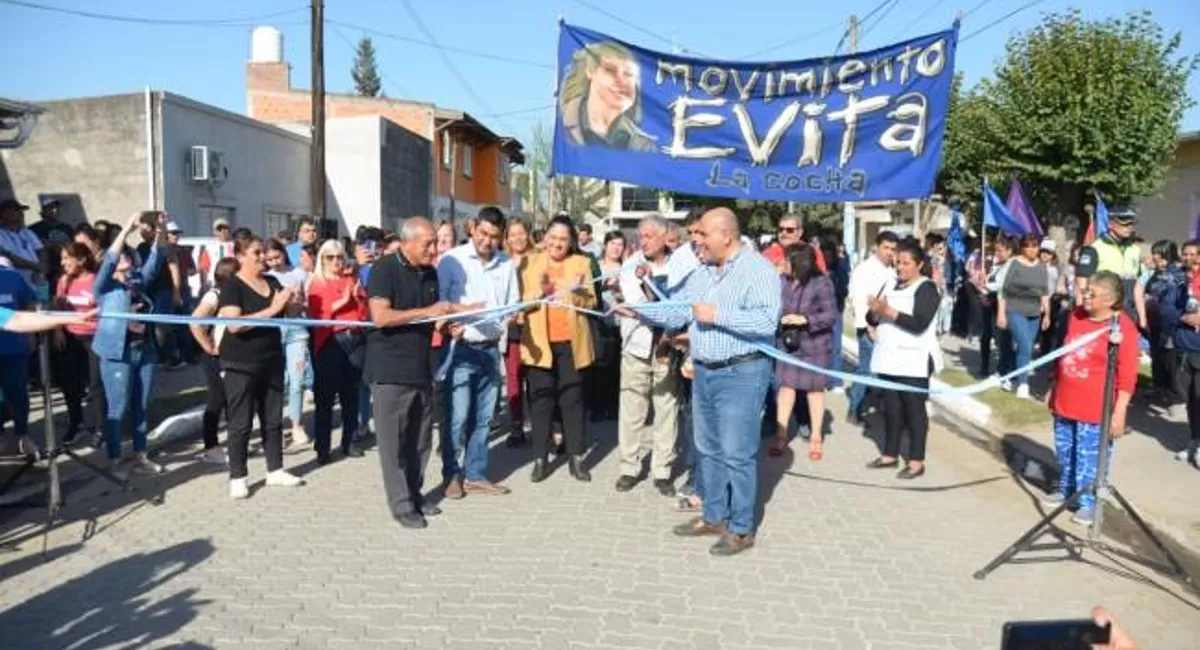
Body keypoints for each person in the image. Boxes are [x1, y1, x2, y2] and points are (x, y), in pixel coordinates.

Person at [617, 207, 780, 557]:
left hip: (742, 373)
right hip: (704, 371)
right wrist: (638, 310)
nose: (696, 241)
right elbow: (678, 310)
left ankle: (741, 528)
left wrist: (717, 314)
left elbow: (767, 322)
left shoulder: (759, 270)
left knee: (737, 452)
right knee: (708, 449)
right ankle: (714, 515)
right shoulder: (702, 272)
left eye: (703, 234)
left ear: (726, 235)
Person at [367, 217, 465, 529]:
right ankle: (401, 505)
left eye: (436, 242)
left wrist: (448, 326)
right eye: (428, 244)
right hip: (391, 370)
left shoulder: (430, 272)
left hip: (423, 368)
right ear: (407, 242)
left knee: (420, 441)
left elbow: (430, 319)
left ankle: (415, 492)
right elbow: (380, 316)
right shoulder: (384, 269)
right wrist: (428, 312)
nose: (434, 250)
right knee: (394, 443)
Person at [1044, 271, 1139, 525]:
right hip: (1066, 400)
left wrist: (1119, 413)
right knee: (1066, 451)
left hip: (1095, 408)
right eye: (1086, 291)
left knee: (1090, 457)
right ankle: (1067, 489)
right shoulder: (1075, 317)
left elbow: (1127, 376)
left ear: (1110, 300)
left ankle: (1089, 501)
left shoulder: (1123, 329)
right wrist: (1053, 386)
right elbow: (1061, 355)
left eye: (1092, 294)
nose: (1085, 296)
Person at [434, 206, 515, 498]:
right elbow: (440, 304)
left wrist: (515, 316)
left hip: (491, 351)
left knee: (483, 420)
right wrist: (446, 326)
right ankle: (451, 476)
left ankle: (476, 474)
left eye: (494, 236)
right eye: (483, 233)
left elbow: (511, 305)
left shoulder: (506, 264)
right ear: (472, 228)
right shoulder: (452, 261)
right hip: (460, 350)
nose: (487, 241)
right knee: (457, 417)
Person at [218, 235, 305, 499]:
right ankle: (238, 476)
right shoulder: (232, 286)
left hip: (271, 359)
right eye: (256, 253)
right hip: (240, 363)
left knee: (273, 418)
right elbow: (235, 325)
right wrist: (273, 308)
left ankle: (275, 469)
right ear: (241, 256)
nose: (262, 258)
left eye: (263, 253)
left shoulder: (272, 281)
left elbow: (288, 313)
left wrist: (294, 303)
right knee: (241, 422)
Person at [520, 216, 598, 483]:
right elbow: (520, 303)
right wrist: (539, 293)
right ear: (545, 237)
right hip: (540, 344)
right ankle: (540, 459)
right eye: (553, 237)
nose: (557, 243)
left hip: (571, 343)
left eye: (563, 239)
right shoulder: (529, 263)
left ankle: (577, 458)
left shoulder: (582, 263)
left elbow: (591, 302)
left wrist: (575, 292)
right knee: (541, 402)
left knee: (572, 401)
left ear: (571, 241)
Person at [92, 213, 169, 476]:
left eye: (127, 254)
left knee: (142, 405)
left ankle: (140, 455)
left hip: (143, 351)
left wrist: (160, 229)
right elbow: (111, 257)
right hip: (117, 354)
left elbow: (156, 258)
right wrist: (127, 226)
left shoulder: (137, 282)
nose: (126, 256)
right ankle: (115, 461)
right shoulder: (104, 288)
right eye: (122, 255)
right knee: (119, 407)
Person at [864, 242, 943, 479]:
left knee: (914, 411)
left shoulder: (927, 288)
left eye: (906, 263)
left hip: (914, 360)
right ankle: (890, 453)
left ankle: (916, 460)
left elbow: (919, 323)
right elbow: (873, 315)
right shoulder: (889, 283)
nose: (900, 267)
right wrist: (875, 312)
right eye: (898, 262)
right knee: (892, 409)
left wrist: (888, 312)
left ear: (919, 264)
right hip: (888, 357)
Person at [614, 216, 678, 496]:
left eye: (650, 236)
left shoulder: (682, 265)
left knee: (667, 408)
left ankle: (662, 470)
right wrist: (672, 310)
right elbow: (641, 306)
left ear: (666, 237)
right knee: (632, 409)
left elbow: (685, 303)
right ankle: (629, 466)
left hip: (668, 346)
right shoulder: (631, 266)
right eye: (641, 236)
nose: (644, 241)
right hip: (637, 346)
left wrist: (673, 315)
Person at [771, 244, 837, 461]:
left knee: (814, 391)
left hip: (814, 346)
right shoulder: (782, 281)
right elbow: (773, 305)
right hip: (788, 345)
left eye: (787, 260)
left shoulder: (822, 282)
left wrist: (805, 320)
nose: (783, 263)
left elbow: (830, 316)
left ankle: (816, 437)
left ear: (799, 262)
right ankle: (780, 437)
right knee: (786, 389)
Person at [307, 239, 368, 465]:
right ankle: (322, 447)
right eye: (330, 257)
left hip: (354, 339)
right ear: (322, 259)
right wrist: (343, 300)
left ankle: (349, 441)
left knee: (350, 395)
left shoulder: (350, 278)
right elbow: (318, 316)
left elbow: (362, 314)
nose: (336, 261)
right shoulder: (316, 283)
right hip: (330, 342)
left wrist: (360, 298)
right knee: (325, 398)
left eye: (340, 257)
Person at [53, 241, 105, 445]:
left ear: (82, 259)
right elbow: (58, 308)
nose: (63, 262)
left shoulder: (96, 281)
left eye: (67, 257)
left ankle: (101, 429)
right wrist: (58, 331)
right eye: (62, 258)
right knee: (70, 384)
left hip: (94, 338)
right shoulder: (64, 281)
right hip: (70, 338)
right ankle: (76, 424)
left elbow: (106, 307)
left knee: (95, 385)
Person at [558, 40, 654, 152]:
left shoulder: (644, 146)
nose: (621, 81)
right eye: (611, 71)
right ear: (590, 71)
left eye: (628, 74)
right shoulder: (561, 128)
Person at [188, 257, 239, 466]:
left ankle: (235, 441)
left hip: (233, 354)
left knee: (233, 399)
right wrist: (208, 346)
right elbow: (195, 320)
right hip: (215, 357)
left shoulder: (234, 294)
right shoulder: (215, 295)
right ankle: (211, 447)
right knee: (216, 399)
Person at [846, 231, 899, 424]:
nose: (890, 252)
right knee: (867, 369)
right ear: (876, 247)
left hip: (887, 327)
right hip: (870, 327)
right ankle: (855, 408)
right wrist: (868, 327)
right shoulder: (865, 269)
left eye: (893, 249)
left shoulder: (892, 270)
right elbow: (859, 299)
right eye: (886, 247)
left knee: (882, 369)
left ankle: (879, 405)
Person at [265, 238, 313, 447]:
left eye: (277, 257)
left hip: (297, 331)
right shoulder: (266, 277)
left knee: (297, 379)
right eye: (269, 259)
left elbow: (309, 303)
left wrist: (300, 302)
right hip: (274, 332)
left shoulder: (299, 273)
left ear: (283, 253)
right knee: (276, 381)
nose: (274, 262)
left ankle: (296, 424)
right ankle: (274, 424)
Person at [1075, 206, 1147, 331]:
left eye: (1132, 223)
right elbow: (1082, 282)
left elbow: (1137, 286)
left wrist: (1142, 316)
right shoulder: (1094, 249)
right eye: (1125, 223)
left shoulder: (1134, 250)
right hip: (1102, 312)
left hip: (1128, 313)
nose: (1129, 226)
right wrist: (1082, 312)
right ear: (1111, 224)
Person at [998, 234, 1051, 399]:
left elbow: (1045, 293)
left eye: (1035, 246)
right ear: (1022, 248)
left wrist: (1047, 315)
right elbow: (1003, 291)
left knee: (1024, 348)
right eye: (1028, 246)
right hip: (1015, 309)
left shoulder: (1042, 267)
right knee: (1025, 344)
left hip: (1034, 312)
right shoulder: (1014, 264)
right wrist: (1001, 313)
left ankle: (1011, 376)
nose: (1032, 249)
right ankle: (1023, 383)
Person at [1166, 240, 1200, 466]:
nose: (1188, 258)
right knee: (1190, 401)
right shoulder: (1177, 282)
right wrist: (1182, 316)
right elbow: (1166, 310)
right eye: (1185, 254)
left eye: (1192, 254)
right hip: (1183, 350)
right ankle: (1194, 440)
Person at [0, 263, 38, 457]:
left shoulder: (12, 277)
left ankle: (22, 436)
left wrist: (30, 335)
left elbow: (29, 305)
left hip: (14, 349)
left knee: (18, 395)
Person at [1144, 240, 1185, 415]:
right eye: (1154, 253)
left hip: (1170, 324)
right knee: (1157, 356)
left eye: (1159, 254)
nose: (1155, 257)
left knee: (1171, 361)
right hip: (1154, 322)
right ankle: (1159, 387)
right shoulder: (1155, 274)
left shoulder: (1177, 275)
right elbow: (1147, 290)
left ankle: (1177, 397)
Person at [502, 217, 533, 447]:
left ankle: (542, 424)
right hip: (512, 328)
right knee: (513, 378)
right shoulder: (502, 262)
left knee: (535, 378)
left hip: (535, 326)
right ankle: (516, 425)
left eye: (521, 233)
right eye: (512, 234)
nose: (517, 238)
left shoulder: (538, 259)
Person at [590, 230, 626, 422]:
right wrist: (602, 287)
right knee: (599, 366)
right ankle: (596, 406)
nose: (616, 248)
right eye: (613, 243)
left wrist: (620, 290)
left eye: (620, 244)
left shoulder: (626, 268)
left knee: (616, 367)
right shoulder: (597, 266)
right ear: (605, 245)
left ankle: (613, 406)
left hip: (620, 323)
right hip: (600, 320)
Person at [981, 236, 1016, 379]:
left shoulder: (1011, 265)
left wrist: (986, 286)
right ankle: (999, 369)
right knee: (996, 339)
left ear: (1009, 251)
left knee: (1005, 341)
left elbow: (1002, 285)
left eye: (1000, 251)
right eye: (996, 250)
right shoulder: (997, 265)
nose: (997, 253)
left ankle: (1006, 371)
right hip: (992, 306)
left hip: (1005, 307)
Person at [30, 198, 74, 294]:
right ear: (43, 211)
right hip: (43, 272)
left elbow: (72, 248)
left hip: (63, 269)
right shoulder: (34, 229)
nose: (55, 210)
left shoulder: (67, 228)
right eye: (51, 208)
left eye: (56, 207)